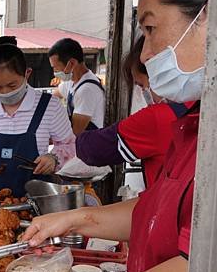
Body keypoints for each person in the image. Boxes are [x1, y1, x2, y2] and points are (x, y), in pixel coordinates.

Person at [23, 0, 209, 272]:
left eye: (150, 27)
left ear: (208, 20)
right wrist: (76, 217)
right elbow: (156, 210)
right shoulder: (193, 126)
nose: (143, 54)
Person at [0, 36, 76, 197]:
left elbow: (71, 146)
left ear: (27, 74)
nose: (5, 92)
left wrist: (54, 158)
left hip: (32, 202)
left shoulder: (50, 107)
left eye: (12, 85)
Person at [76, 35, 192, 188]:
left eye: (142, 85)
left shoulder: (156, 117)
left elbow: (94, 149)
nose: (143, 92)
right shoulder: (198, 106)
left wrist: (71, 144)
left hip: (165, 207)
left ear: (157, 74)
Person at [49, 38, 106, 134]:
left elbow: (74, 133)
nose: (55, 72)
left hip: (87, 145)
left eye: (56, 67)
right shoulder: (71, 82)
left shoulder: (87, 90)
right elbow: (54, 95)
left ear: (72, 63)